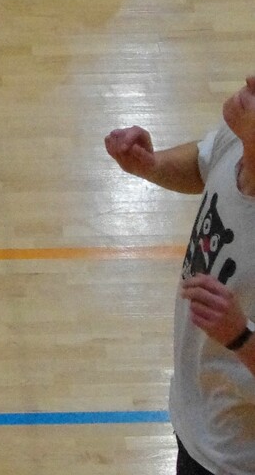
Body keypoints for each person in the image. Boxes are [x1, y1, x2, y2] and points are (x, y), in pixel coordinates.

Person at [106, 73, 255, 474]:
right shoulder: (238, 142)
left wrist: (241, 336)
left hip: (235, 460)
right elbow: (203, 162)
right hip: (197, 418)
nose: (251, 79)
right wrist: (152, 166)